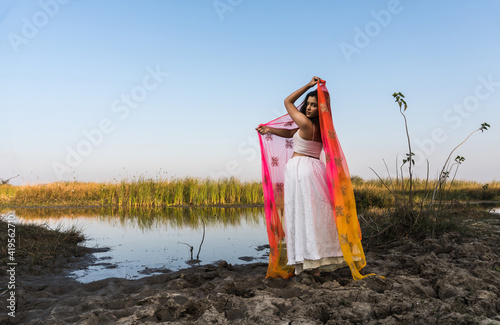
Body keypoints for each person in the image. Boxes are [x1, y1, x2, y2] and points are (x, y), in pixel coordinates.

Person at [256, 77, 345, 276]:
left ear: (320, 108)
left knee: (302, 212)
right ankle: (318, 259)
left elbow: (287, 102)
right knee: (316, 213)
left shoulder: (305, 123)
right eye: (308, 104)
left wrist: (308, 86)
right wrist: (269, 129)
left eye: (314, 105)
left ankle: (309, 260)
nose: (309, 108)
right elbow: (291, 134)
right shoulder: (321, 128)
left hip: (300, 169)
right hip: (315, 168)